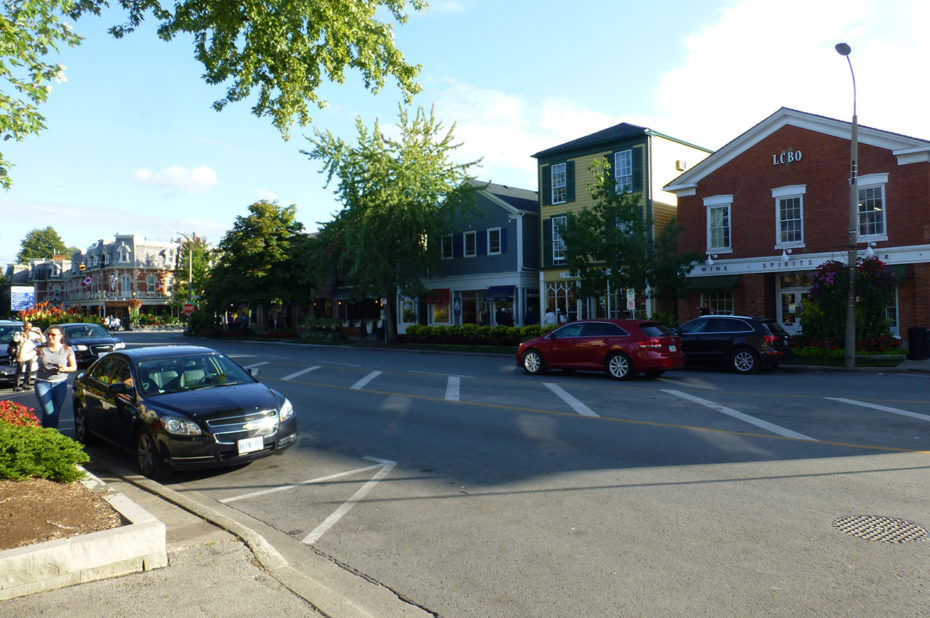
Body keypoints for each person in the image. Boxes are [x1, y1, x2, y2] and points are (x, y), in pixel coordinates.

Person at [26, 325, 77, 429]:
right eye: (48, 334)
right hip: (42, 383)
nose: (50, 337)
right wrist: (25, 342)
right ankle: (48, 434)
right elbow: (21, 358)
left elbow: (73, 367)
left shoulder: (67, 349)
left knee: (55, 412)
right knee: (49, 411)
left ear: (60, 336)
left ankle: (52, 434)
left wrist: (64, 369)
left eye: (53, 335)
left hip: (60, 384)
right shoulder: (41, 349)